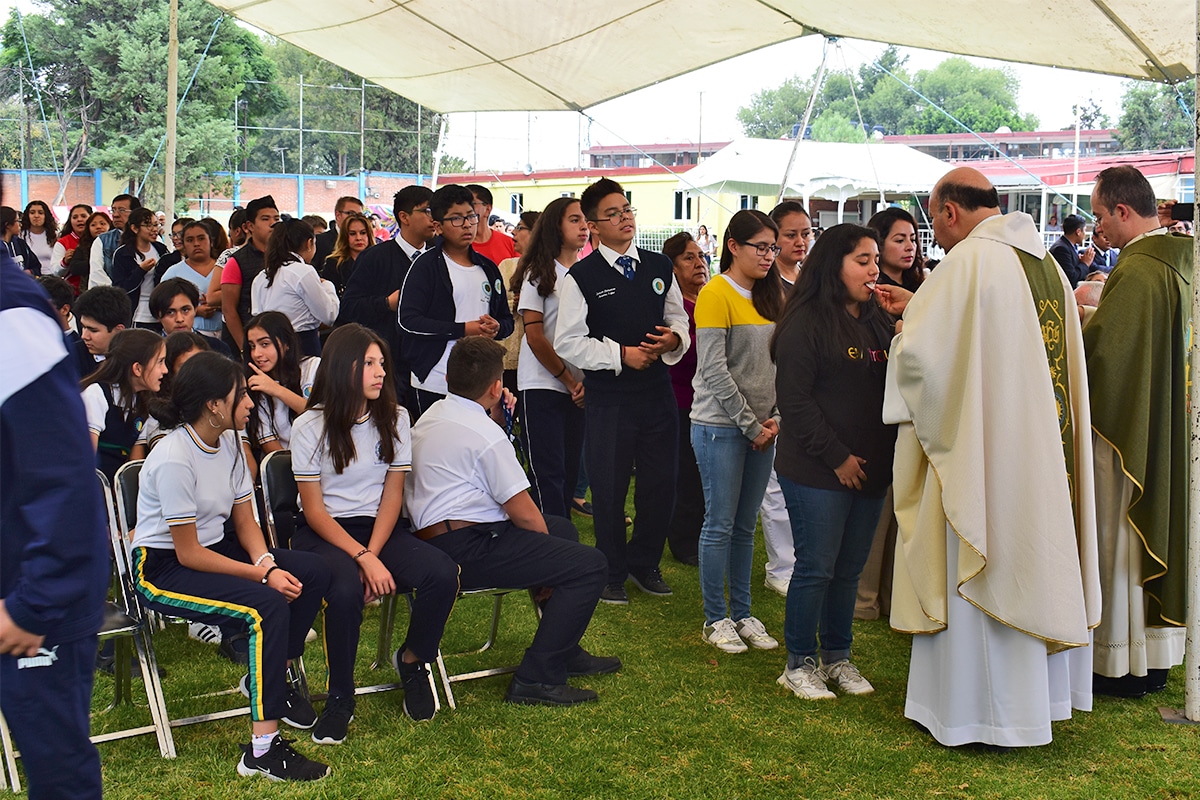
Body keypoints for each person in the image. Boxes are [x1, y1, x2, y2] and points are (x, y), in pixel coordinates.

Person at [878, 167, 1099, 747]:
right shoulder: (1044, 265)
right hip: (1040, 455)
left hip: (983, 457)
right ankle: (1037, 704)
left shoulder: (971, 263)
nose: (934, 232)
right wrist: (923, 305)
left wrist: (905, 327)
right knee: (1033, 551)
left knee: (980, 561)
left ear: (950, 210)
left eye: (932, 217)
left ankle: (977, 714)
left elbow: (926, 364)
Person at [131, 352, 332, 781]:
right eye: (241, 394)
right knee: (268, 606)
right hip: (163, 567)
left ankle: (271, 676)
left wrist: (264, 560)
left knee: (313, 571)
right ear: (213, 405)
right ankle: (263, 750)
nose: (249, 402)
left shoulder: (231, 446)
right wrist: (263, 575)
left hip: (216, 549)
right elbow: (188, 555)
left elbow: (244, 521)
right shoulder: (173, 457)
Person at [407, 336, 618, 706]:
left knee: (563, 529)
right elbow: (523, 512)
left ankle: (563, 648)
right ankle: (537, 676)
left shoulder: (432, 416)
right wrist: (550, 567)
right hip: (467, 548)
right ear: (495, 386)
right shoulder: (485, 435)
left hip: (436, 541)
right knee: (589, 565)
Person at [290, 324, 459, 735]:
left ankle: (414, 660)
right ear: (343, 367)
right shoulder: (308, 426)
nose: (380, 372)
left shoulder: (396, 417)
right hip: (324, 531)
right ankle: (340, 697)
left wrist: (374, 554)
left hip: (379, 528)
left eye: (381, 363)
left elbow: (392, 497)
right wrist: (363, 559)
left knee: (441, 574)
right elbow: (314, 512)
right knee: (344, 590)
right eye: (369, 363)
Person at [1, 251, 110, 800]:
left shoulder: (12, 313)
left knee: (56, 772)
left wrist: (32, 604)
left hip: (28, 598)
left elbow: (67, 478)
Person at [769, 224, 894, 698]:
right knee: (817, 566)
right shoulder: (807, 321)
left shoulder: (878, 317)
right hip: (819, 469)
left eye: (874, 260)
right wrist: (838, 457)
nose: (873, 269)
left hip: (872, 470)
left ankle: (837, 657)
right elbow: (795, 402)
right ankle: (798, 662)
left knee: (849, 569)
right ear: (833, 264)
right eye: (862, 260)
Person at [555, 177, 689, 604]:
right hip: (609, 397)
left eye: (626, 209)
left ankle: (644, 562)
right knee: (609, 487)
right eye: (611, 215)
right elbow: (568, 342)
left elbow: (678, 318)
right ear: (593, 226)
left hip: (657, 392)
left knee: (660, 482)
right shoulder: (580, 277)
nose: (623, 219)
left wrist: (673, 341)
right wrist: (620, 355)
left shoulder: (658, 266)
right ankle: (611, 569)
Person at [1083, 165, 1189, 698]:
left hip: (1132, 429)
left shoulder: (1141, 271)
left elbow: (1107, 355)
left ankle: (1121, 663)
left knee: (1118, 533)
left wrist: (1075, 326)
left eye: (1101, 215)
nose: (1098, 227)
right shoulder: (1182, 260)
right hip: (1169, 424)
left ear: (1123, 211)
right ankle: (1158, 656)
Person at [692, 210, 784, 654]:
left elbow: (783, 362)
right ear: (733, 246)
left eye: (773, 248)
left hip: (762, 428)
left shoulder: (774, 296)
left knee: (746, 528)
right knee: (720, 523)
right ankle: (716, 618)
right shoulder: (715, 293)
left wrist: (776, 419)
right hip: (719, 427)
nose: (769, 256)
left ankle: (743, 613)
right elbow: (712, 369)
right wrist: (751, 425)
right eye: (760, 247)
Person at [398, 184, 513, 417]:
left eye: (471, 216)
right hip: (435, 379)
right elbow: (408, 321)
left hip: (481, 382)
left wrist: (497, 327)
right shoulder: (426, 266)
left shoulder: (488, 268)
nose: (468, 225)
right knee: (436, 449)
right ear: (438, 227)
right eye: (457, 219)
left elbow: (507, 321)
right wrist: (462, 329)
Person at [512, 198, 588, 518]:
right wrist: (570, 380)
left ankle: (565, 545)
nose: (584, 225)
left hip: (579, 390)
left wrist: (585, 382)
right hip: (543, 385)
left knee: (571, 473)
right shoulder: (538, 272)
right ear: (556, 226)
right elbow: (535, 336)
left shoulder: (586, 273)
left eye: (586, 219)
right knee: (549, 474)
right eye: (575, 220)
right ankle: (554, 545)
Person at [338, 185, 436, 408]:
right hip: (389, 367)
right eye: (427, 211)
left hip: (431, 366)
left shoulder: (437, 257)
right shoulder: (375, 257)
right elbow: (349, 307)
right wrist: (386, 304)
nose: (434, 218)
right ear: (404, 217)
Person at [759, 201, 814, 596]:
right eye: (791, 234)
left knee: (802, 482)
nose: (799, 242)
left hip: (809, 391)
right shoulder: (765, 284)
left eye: (806, 233)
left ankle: (801, 559)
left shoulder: (812, 279)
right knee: (773, 486)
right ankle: (780, 565)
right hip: (773, 393)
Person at [663, 231, 707, 566]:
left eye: (701, 256)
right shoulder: (675, 309)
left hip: (710, 401)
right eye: (689, 258)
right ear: (673, 267)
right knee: (687, 474)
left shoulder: (712, 299)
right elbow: (688, 353)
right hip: (681, 399)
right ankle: (683, 541)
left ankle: (705, 534)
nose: (699, 263)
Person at [80, 328, 167, 479]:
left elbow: (134, 466)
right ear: (137, 369)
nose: (165, 370)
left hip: (116, 491)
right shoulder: (96, 395)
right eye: (160, 362)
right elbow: (85, 459)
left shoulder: (142, 402)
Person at [251, 217, 338, 357]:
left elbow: (257, 317)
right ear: (309, 243)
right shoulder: (304, 272)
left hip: (270, 347)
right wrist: (327, 285)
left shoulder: (261, 276)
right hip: (303, 345)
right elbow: (329, 315)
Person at [244, 311, 319, 453]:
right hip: (287, 464)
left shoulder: (313, 367)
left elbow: (323, 417)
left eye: (265, 344)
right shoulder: (255, 384)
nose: (256, 354)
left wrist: (277, 390)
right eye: (252, 346)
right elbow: (270, 444)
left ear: (286, 344)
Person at [221, 196, 280, 355]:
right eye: (265, 219)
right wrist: (245, 349)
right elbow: (229, 310)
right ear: (249, 226)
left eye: (276, 218)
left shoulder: (286, 257)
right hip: (245, 343)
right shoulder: (236, 262)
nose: (273, 223)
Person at [497, 210, 540, 397]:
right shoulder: (506, 265)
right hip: (506, 357)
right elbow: (493, 306)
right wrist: (515, 303)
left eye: (520, 228)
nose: (513, 233)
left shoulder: (552, 269)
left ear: (536, 232)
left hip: (539, 359)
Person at [162, 219, 225, 343]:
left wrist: (219, 304)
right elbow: (162, 306)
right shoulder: (173, 273)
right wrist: (195, 311)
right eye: (190, 240)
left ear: (211, 242)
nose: (196, 244)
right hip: (190, 337)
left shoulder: (225, 268)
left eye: (201, 238)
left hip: (226, 333)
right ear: (184, 245)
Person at [111, 208, 168, 331]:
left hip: (161, 314)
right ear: (134, 228)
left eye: (155, 224)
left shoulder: (161, 250)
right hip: (138, 315)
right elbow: (120, 288)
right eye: (148, 225)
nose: (154, 229)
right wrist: (141, 270)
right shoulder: (123, 254)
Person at [74, 284, 132, 376]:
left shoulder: (138, 359)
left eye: (93, 330)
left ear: (119, 330)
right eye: (83, 327)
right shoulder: (70, 358)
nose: (84, 336)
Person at [868, 207, 925, 292]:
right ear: (879, 244)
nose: (910, 247)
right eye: (900, 240)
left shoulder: (921, 285)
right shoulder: (872, 291)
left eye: (913, 240)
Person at [89, 194, 140, 288]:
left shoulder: (150, 239)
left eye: (122, 210)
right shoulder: (102, 240)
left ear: (135, 213)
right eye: (113, 210)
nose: (115, 215)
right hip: (111, 297)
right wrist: (118, 292)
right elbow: (97, 273)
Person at [321, 211, 373, 297]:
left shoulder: (380, 260)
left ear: (369, 235)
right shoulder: (333, 263)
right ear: (345, 236)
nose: (358, 238)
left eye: (363, 233)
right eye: (352, 234)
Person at [466, 185, 517, 266]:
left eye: (471, 203)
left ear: (488, 209)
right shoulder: (458, 247)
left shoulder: (511, 244)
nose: (465, 208)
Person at [313, 196, 365, 272]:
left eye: (360, 215)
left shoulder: (366, 242)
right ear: (338, 215)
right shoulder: (319, 241)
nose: (355, 218)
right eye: (351, 213)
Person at [1049, 213, 1095, 288]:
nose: (1085, 234)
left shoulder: (1070, 246)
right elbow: (1071, 278)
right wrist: (1085, 264)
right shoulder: (1061, 249)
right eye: (1085, 230)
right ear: (1078, 232)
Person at [69, 211, 112, 290]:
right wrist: (96, 264)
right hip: (88, 290)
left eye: (102, 224)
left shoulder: (117, 245)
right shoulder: (82, 247)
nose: (98, 227)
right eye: (93, 225)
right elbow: (74, 268)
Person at [51, 203, 92, 278]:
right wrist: (64, 262)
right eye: (75, 217)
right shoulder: (63, 242)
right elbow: (54, 272)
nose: (79, 219)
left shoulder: (99, 240)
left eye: (83, 216)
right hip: (72, 288)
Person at [19, 200, 57, 276]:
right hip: (29, 278)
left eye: (40, 213)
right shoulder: (20, 236)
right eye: (32, 212)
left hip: (51, 277)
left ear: (46, 216)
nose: (36, 216)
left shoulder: (54, 235)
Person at [1, 206, 34, 275]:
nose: (20, 224)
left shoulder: (20, 243)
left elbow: (35, 265)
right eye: (17, 221)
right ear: (7, 225)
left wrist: (30, 272)